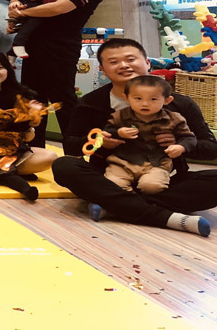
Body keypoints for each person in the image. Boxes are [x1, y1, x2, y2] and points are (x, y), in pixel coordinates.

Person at [52, 38, 216, 237]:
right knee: (63, 166)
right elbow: (71, 146)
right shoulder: (90, 104)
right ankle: (163, 216)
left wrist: (179, 143)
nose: (123, 65)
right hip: (110, 179)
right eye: (114, 62)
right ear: (103, 70)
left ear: (147, 63)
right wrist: (100, 143)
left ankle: (113, 206)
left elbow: (211, 148)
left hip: (164, 179)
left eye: (130, 59)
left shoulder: (179, 103)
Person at [8, 0, 112, 147]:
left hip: (60, 46)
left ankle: (75, 151)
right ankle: (34, 150)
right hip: (34, 42)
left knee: (62, 100)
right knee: (32, 99)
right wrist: (16, 11)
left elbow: (58, 8)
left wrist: (23, 13)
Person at [101, 75, 197, 195]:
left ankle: (137, 199)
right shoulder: (119, 116)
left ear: (167, 100)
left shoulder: (174, 119)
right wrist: (118, 133)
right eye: (138, 98)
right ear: (126, 98)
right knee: (113, 184)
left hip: (157, 164)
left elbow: (189, 138)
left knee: (152, 186)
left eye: (153, 99)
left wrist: (180, 147)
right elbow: (106, 132)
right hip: (122, 162)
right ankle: (131, 200)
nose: (145, 104)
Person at [0, 50, 57, 176]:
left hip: (8, 151)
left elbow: (28, 137)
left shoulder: (21, 96)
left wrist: (32, 118)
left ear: (7, 69)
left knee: (49, 157)